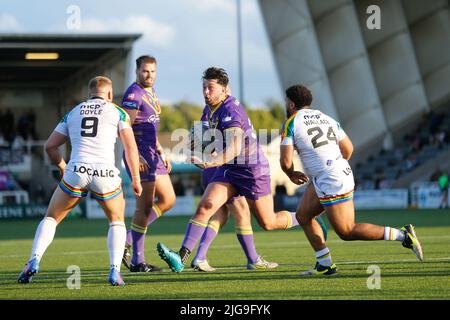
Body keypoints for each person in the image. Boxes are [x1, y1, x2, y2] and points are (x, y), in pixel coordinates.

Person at [156, 67, 325, 273]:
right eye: (204, 88)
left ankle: (303, 217)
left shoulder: (231, 110)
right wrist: (192, 142)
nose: (206, 92)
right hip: (229, 169)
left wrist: (211, 162)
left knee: (268, 222)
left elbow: (234, 147)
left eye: (210, 88)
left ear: (224, 90)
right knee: (206, 205)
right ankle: (181, 256)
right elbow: (199, 136)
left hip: (252, 170)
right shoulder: (209, 109)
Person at [279, 84, 424, 276]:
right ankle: (325, 264)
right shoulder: (326, 118)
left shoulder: (291, 123)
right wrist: (333, 165)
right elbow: (348, 149)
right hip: (330, 174)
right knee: (304, 216)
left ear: (290, 103)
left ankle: (403, 236)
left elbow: (285, 160)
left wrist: (291, 174)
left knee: (346, 231)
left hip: (330, 178)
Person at [17, 76, 142, 286]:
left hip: (77, 170)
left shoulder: (73, 113)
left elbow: (50, 146)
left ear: (89, 94)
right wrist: (136, 179)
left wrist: (63, 167)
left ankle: (34, 259)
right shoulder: (118, 112)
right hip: (105, 174)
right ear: (110, 94)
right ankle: (114, 271)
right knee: (116, 220)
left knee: (51, 218)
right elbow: (130, 147)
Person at [121, 55, 176, 273]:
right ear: (137, 71)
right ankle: (137, 261)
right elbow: (124, 129)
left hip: (153, 154)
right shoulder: (133, 94)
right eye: (145, 71)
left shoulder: (151, 92)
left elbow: (149, 127)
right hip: (141, 157)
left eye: (153, 71)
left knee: (169, 199)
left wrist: (161, 150)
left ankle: (126, 240)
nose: (149, 75)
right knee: (143, 208)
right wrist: (136, 156)